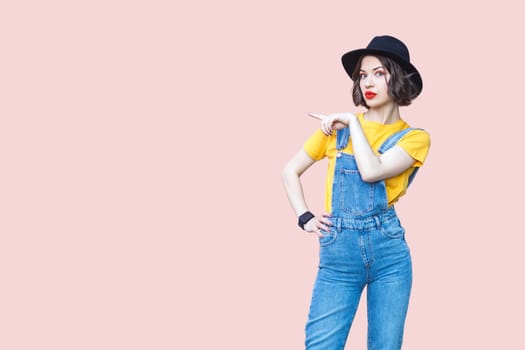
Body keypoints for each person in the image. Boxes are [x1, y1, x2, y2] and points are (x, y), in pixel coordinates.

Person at [282, 35, 431, 349]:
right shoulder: (334, 132)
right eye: (363, 75)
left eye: (379, 73)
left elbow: (372, 170)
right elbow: (290, 170)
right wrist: (304, 217)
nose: (368, 82)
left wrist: (352, 123)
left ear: (399, 78)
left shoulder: (415, 138)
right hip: (339, 252)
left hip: (389, 252)